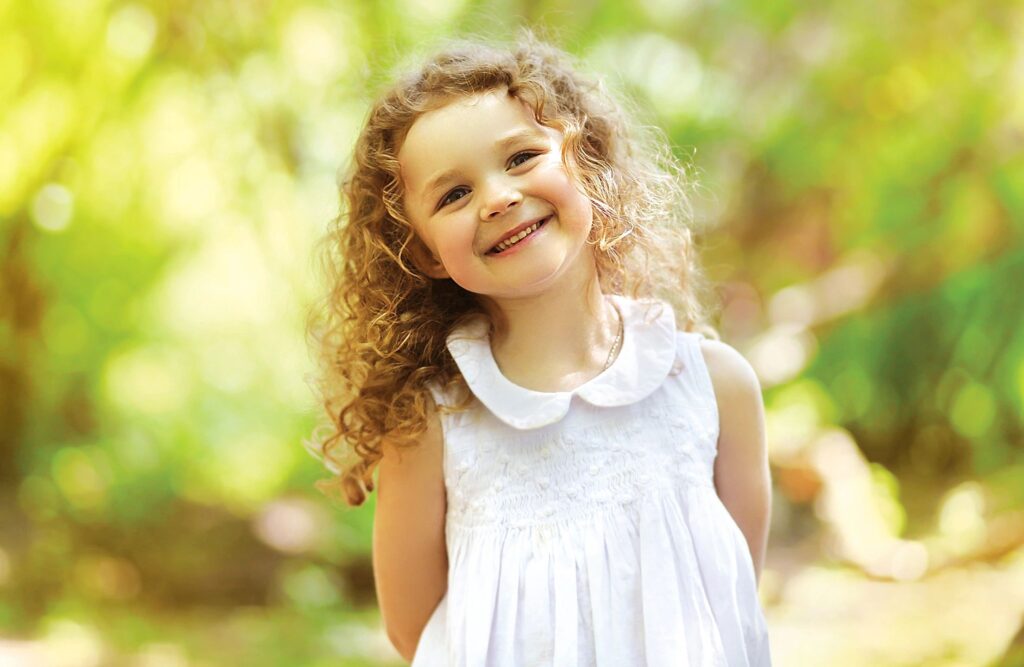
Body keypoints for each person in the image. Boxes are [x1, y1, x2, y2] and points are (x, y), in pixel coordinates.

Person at [305, 29, 773, 666]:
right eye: (454, 195)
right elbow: (417, 632)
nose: (498, 198)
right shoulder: (433, 425)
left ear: (584, 160)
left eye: (521, 158)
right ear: (424, 253)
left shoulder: (714, 386)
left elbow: (732, 595)